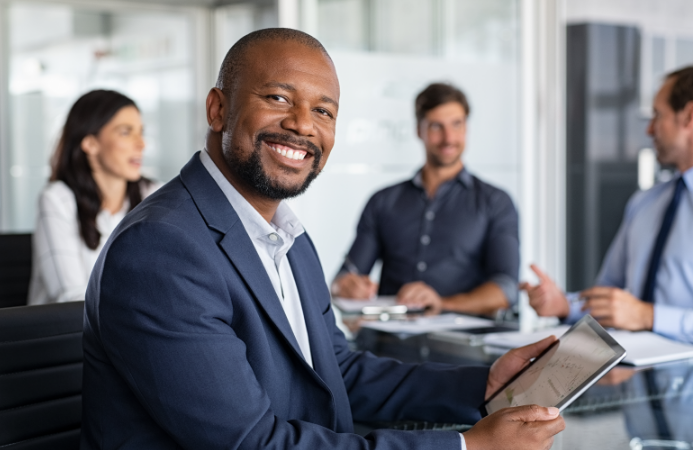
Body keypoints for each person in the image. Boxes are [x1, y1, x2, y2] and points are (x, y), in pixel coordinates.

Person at [81, 29, 564, 449]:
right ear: (218, 108)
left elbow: (337, 372)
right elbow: (250, 444)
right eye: (277, 98)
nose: (303, 125)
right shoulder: (163, 248)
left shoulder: (286, 236)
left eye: (324, 111)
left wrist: (484, 385)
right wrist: (465, 447)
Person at [522, 65, 693, 352]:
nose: (649, 129)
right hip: (632, 381)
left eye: (658, 115)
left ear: (690, 115)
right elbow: (614, 301)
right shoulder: (645, 202)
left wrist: (648, 316)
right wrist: (563, 305)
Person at [332, 83, 518, 316]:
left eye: (457, 124)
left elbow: (506, 289)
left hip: (463, 344)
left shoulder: (496, 202)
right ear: (419, 130)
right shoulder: (382, 201)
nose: (448, 137)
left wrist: (442, 303)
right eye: (436, 126)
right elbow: (345, 276)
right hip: (388, 342)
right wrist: (346, 286)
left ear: (466, 128)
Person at [27, 89, 158, 305]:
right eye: (126, 132)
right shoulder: (57, 200)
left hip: (132, 332)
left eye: (141, 132)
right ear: (90, 143)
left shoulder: (155, 195)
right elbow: (70, 299)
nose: (141, 144)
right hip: (67, 335)